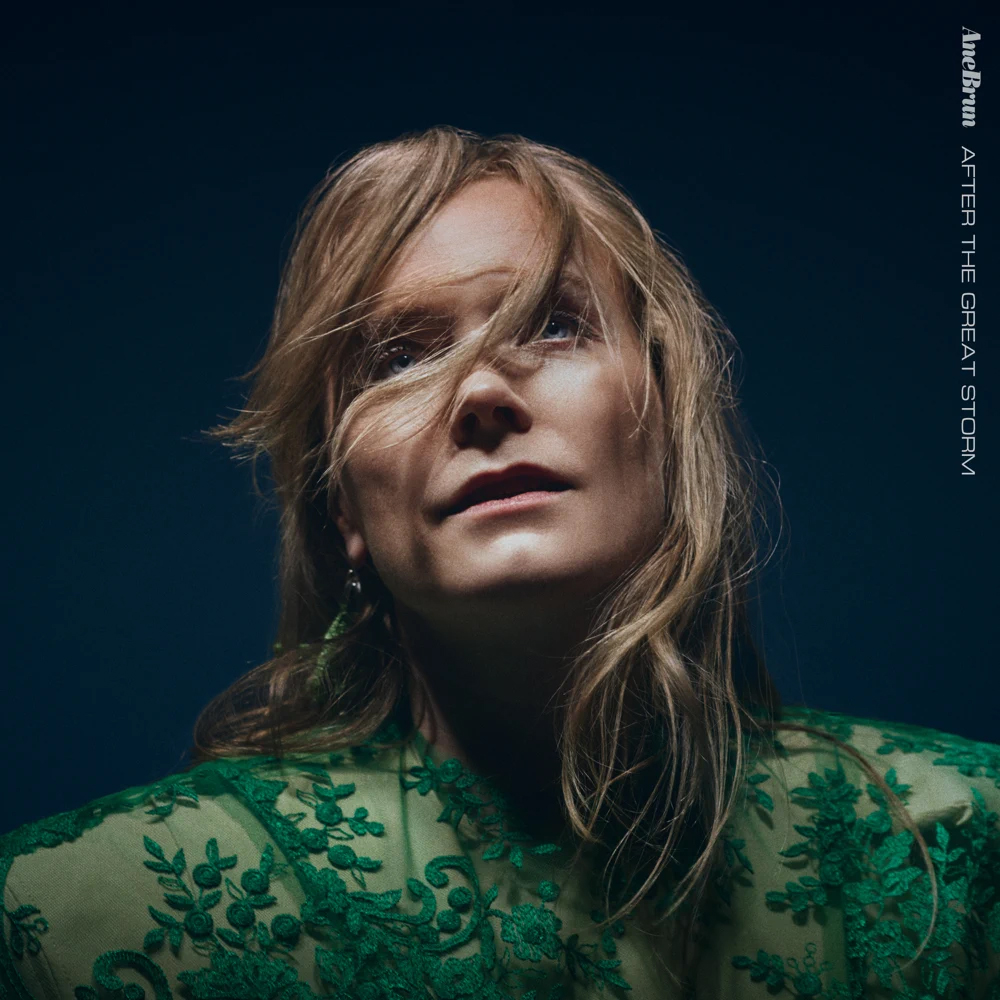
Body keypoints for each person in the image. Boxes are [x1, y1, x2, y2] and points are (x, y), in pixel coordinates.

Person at [2, 127, 998, 1000]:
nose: (481, 392)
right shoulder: (74, 924)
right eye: (400, 358)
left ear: (665, 418)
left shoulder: (966, 844)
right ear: (343, 505)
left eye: (553, 324)